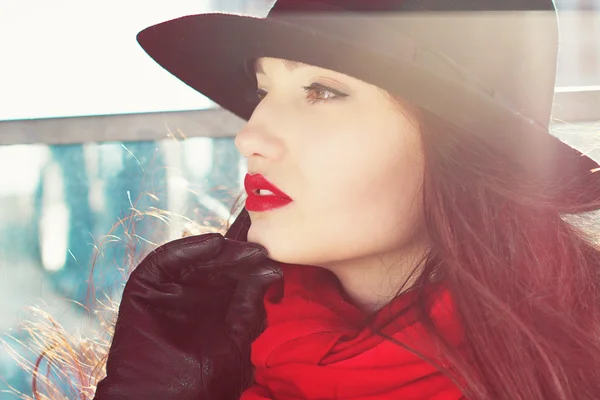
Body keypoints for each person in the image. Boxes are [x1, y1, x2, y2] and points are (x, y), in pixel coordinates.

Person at [92, 1, 600, 399]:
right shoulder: (225, 343)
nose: (251, 136)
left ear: (464, 145)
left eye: (322, 91)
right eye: (263, 90)